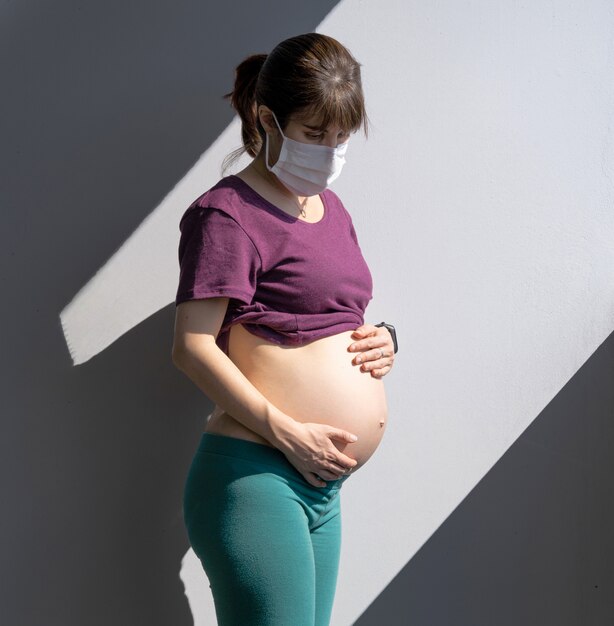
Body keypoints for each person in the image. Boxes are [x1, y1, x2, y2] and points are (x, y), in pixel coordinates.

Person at [172, 32, 397, 626]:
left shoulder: (332, 209)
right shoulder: (227, 214)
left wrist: (383, 338)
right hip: (258, 472)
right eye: (313, 134)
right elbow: (192, 347)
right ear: (267, 119)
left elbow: (326, 312)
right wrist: (289, 432)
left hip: (323, 487)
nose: (329, 152)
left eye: (340, 138)